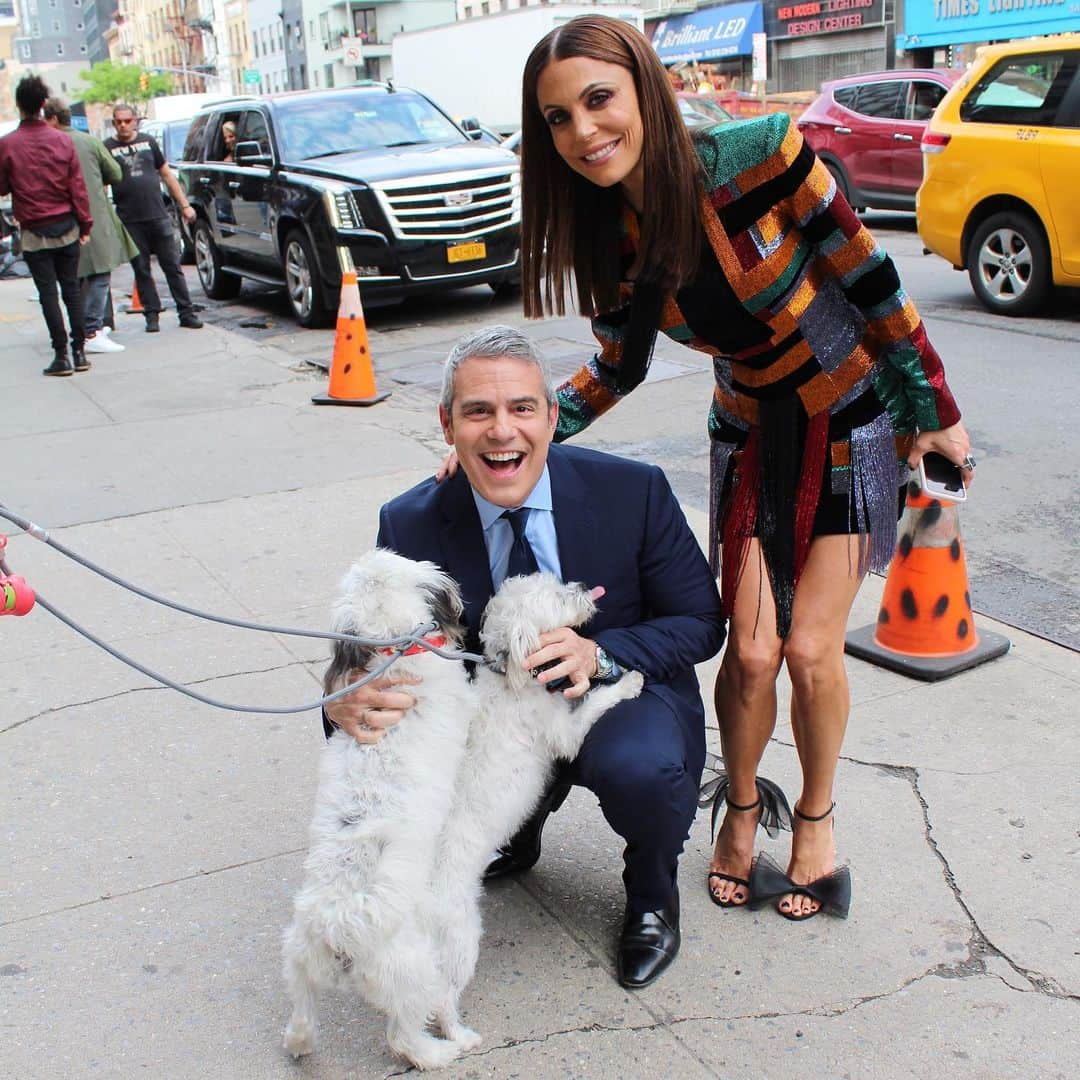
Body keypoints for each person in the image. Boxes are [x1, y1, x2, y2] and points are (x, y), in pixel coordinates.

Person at [519, 16, 974, 921]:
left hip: (852, 422)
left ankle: (814, 821)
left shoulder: (764, 154)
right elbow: (618, 365)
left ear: (642, 86)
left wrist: (938, 414)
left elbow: (874, 282)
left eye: (598, 100)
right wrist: (525, 431)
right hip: (749, 439)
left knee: (811, 651)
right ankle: (738, 808)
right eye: (558, 119)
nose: (583, 133)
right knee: (755, 653)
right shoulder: (609, 236)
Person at [325, 325, 725, 988]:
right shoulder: (410, 523)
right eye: (478, 411)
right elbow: (376, 658)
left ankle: (652, 893)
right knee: (404, 735)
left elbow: (701, 621)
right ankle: (518, 828)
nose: (501, 430)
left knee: (644, 767)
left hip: (610, 697)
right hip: (491, 716)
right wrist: (346, 695)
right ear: (447, 424)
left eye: (521, 409)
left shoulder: (636, 491)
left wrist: (602, 650)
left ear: (551, 416)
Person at [0, 75, 92, 376]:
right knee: (72, 290)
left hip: (33, 229)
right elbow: (77, 187)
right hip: (66, 225)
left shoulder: (7, 145)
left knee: (48, 294)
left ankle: (61, 355)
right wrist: (85, 224)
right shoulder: (62, 140)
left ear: (19, 105)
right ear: (43, 105)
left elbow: (1, 187)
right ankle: (80, 352)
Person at [43, 97, 140, 355]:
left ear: (52, 119)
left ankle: (83, 330)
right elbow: (116, 173)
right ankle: (91, 330)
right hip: (92, 216)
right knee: (99, 272)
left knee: (72, 277)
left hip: (58, 219)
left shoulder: (47, 146)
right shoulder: (87, 142)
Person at [104, 104, 202, 333]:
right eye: (118, 122)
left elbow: (166, 174)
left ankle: (186, 312)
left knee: (172, 267)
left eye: (127, 121)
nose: (123, 125)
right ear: (113, 123)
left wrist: (184, 204)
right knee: (141, 268)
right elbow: (101, 183)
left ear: (135, 121)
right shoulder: (107, 148)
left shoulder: (149, 142)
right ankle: (151, 314)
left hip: (157, 214)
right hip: (129, 219)